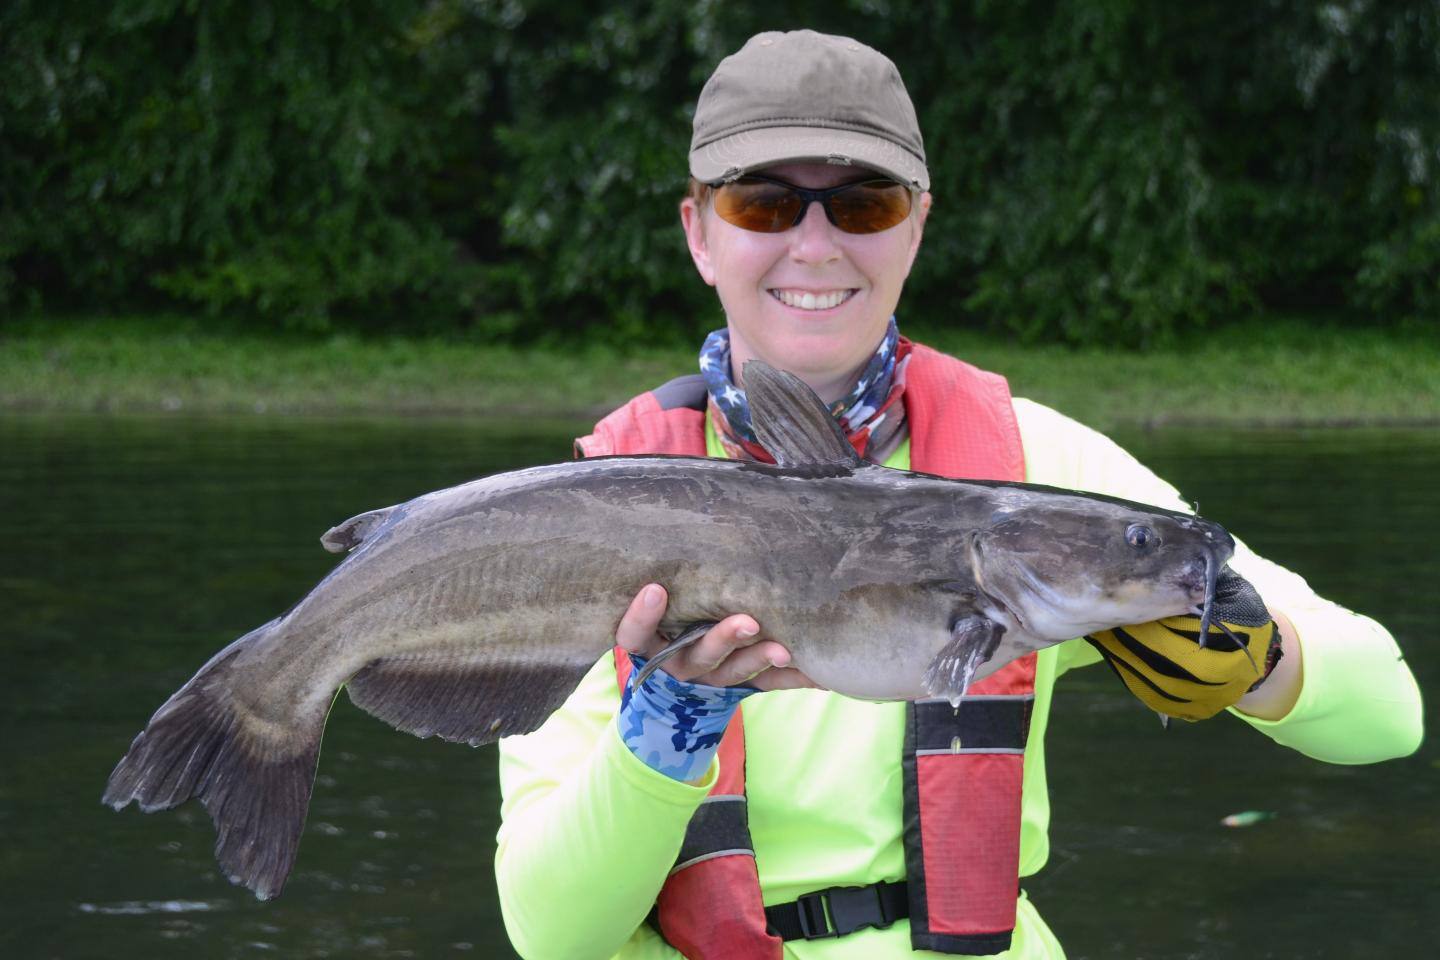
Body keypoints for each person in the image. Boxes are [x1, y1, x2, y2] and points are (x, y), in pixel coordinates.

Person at [494, 30, 1423, 960]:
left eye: (862, 204)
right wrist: (667, 732)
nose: (814, 245)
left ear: (916, 227)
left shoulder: (1039, 469)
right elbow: (551, 937)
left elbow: (1389, 714)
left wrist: (1253, 659)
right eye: (763, 203)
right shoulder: (597, 507)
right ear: (700, 231)